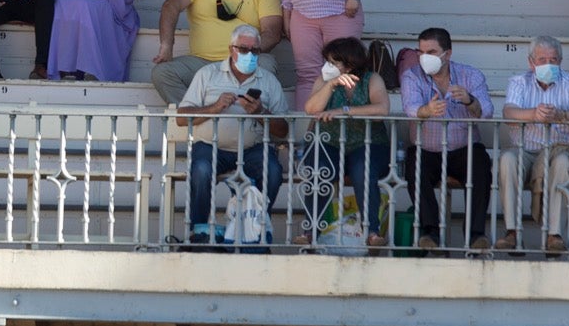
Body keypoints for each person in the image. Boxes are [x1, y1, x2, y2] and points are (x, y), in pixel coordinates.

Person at [175, 24, 287, 246]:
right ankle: (199, 231)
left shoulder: (268, 80)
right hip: (211, 145)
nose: (250, 54)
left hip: (253, 149)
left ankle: (255, 229)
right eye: (243, 49)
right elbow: (181, 118)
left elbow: (283, 130)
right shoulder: (207, 74)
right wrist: (213, 108)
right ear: (231, 49)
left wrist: (260, 113)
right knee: (201, 169)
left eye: (255, 51)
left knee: (273, 170)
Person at [151, 0, 284, 104]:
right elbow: (171, 6)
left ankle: (243, 116)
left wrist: (242, 56)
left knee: (267, 64)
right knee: (161, 72)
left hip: (242, 61)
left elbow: (272, 33)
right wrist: (166, 45)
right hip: (201, 62)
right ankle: (197, 117)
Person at [495, 35, 569, 256]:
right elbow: (509, 112)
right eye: (542, 59)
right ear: (531, 62)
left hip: (559, 148)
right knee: (508, 159)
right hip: (526, 150)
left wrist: (562, 115)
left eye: (553, 59)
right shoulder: (519, 82)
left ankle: (554, 235)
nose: (548, 64)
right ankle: (512, 232)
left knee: (563, 162)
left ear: (561, 61)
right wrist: (534, 114)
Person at [399, 27, 494, 252]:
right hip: (427, 149)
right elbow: (410, 109)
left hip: (464, 148)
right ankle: (431, 233)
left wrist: (470, 101)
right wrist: (427, 109)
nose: (425, 58)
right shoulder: (411, 75)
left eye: (431, 52)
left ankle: (475, 235)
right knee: (414, 166)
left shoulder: (471, 75)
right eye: (420, 52)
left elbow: (487, 111)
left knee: (481, 165)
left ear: (447, 54)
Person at [300, 36, 391, 237]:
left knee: (362, 171)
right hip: (328, 142)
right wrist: (331, 85)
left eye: (333, 62)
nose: (327, 66)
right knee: (318, 170)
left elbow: (382, 109)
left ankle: (372, 232)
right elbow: (311, 109)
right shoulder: (323, 81)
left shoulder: (371, 79)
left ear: (349, 64)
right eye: (327, 61)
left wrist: (345, 110)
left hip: (367, 143)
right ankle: (310, 231)